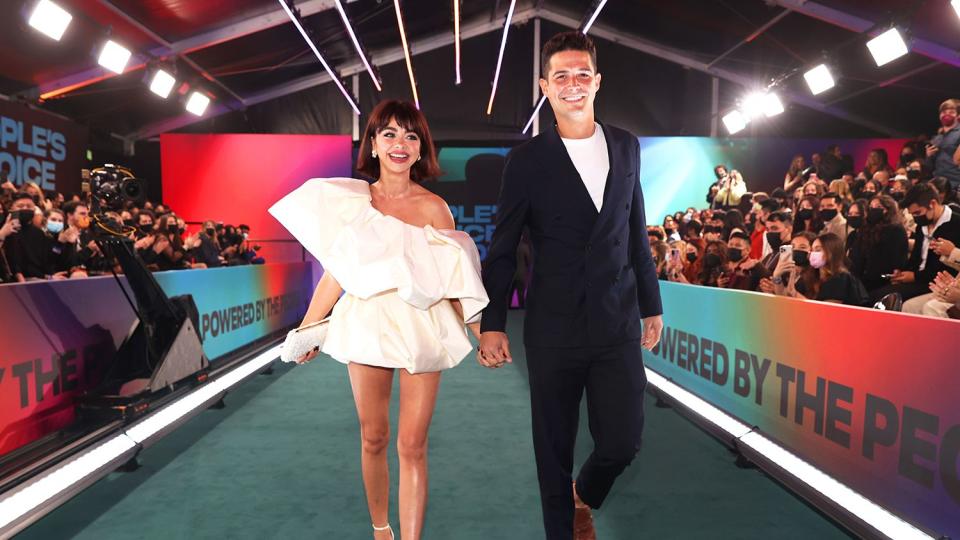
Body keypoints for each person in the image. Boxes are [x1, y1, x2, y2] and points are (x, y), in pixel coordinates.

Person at [271, 100, 488, 540]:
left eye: (410, 136)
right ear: (372, 143)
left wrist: (485, 334)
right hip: (367, 321)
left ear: (421, 148)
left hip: (422, 325)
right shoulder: (351, 202)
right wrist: (308, 329)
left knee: (413, 445)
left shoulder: (435, 209)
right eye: (388, 134)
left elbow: (453, 281)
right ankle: (381, 529)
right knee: (374, 438)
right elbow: (338, 273)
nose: (399, 144)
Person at [478, 31, 662, 540]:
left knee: (622, 443)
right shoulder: (527, 160)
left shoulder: (626, 145)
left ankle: (587, 493)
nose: (573, 85)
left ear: (597, 81)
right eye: (561, 76)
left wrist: (652, 304)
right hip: (553, 327)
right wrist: (492, 323)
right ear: (545, 86)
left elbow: (634, 232)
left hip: (616, 321)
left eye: (582, 74)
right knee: (552, 451)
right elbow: (503, 247)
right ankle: (563, 528)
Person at [873, 183, 960, 301]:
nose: (915, 218)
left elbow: (947, 268)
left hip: (937, 283)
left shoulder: (956, 224)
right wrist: (903, 272)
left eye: (918, 213)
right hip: (917, 279)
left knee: (883, 297)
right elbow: (916, 257)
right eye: (912, 214)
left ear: (932, 204)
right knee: (876, 290)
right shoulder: (922, 225)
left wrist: (914, 276)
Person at [926, 99, 960, 190]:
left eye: (951, 112)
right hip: (938, 183)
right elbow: (929, 167)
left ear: (958, 115)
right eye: (944, 112)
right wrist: (929, 156)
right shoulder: (936, 138)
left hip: (956, 183)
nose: (946, 115)